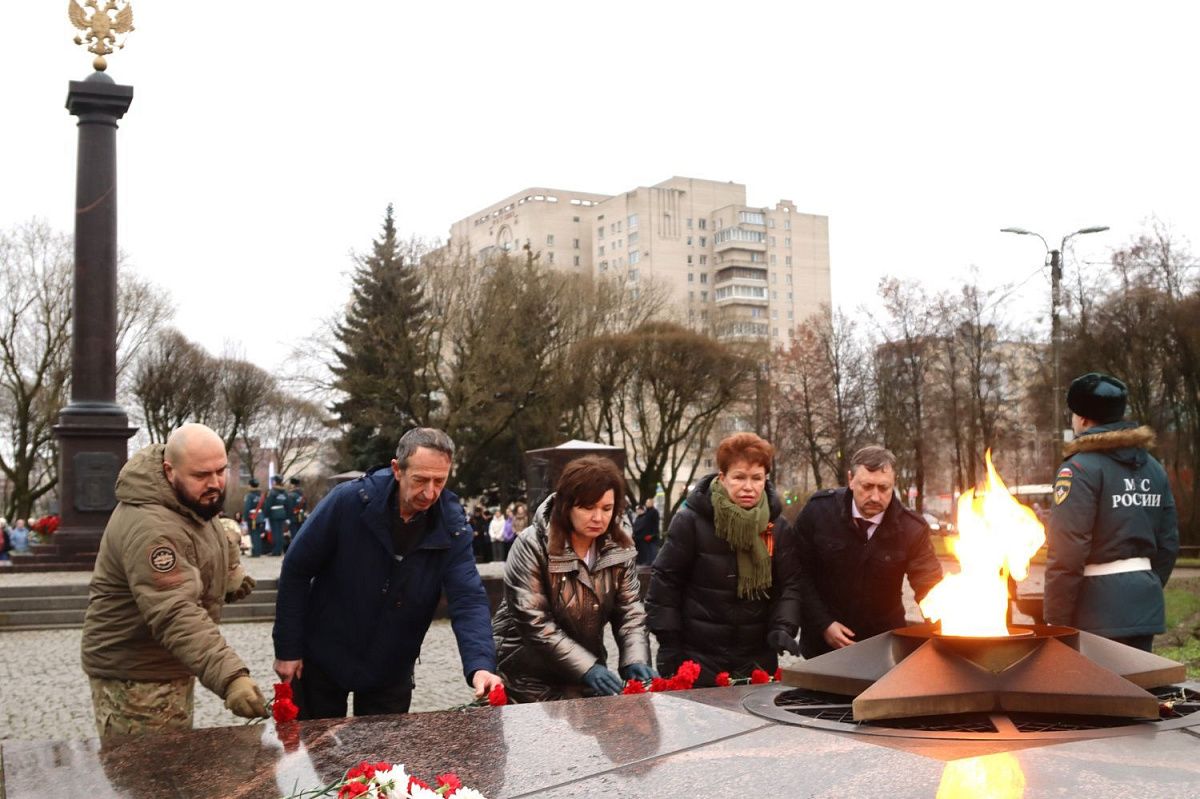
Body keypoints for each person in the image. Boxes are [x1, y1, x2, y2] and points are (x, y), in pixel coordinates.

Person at [272, 428, 501, 719]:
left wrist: (481, 665)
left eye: (439, 481)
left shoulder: (452, 524)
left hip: (391, 664)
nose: (430, 492)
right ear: (397, 469)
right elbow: (296, 568)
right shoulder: (348, 501)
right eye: (420, 480)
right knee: (315, 745)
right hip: (324, 653)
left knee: (384, 750)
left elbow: (467, 597)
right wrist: (288, 648)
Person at [80, 423, 266, 738]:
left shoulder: (186, 501)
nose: (214, 483)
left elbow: (208, 535)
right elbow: (174, 610)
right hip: (136, 677)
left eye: (220, 471)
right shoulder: (152, 527)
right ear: (169, 470)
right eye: (201, 475)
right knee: (148, 768)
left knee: (171, 763)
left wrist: (227, 574)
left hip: (168, 663)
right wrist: (231, 677)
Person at [492, 455, 653, 701]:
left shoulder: (619, 546)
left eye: (607, 508)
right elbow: (534, 621)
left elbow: (630, 611)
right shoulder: (531, 545)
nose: (598, 517)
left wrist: (635, 658)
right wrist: (587, 668)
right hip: (526, 673)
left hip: (582, 668)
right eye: (588, 507)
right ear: (566, 506)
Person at [646, 433, 801, 685]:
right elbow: (665, 582)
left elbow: (790, 584)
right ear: (722, 477)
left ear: (765, 479)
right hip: (698, 657)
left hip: (757, 658)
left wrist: (783, 627)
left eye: (756, 478)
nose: (748, 487)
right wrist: (669, 644)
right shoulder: (690, 521)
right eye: (739, 477)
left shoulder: (777, 527)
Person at [1044, 372, 1179, 652]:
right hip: (1144, 606)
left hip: (1095, 612)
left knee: (1097, 682)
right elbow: (1168, 543)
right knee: (1139, 680)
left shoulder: (1078, 469)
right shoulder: (1154, 468)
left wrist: (1056, 620)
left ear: (1082, 419)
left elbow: (1068, 551)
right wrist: (1145, 586)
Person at [790, 445, 944, 658]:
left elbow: (929, 585)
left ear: (894, 483)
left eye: (884, 488)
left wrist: (949, 631)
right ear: (851, 479)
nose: (875, 497)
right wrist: (823, 623)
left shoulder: (911, 528)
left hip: (883, 647)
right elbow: (797, 572)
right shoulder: (819, 512)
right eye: (867, 486)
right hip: (823, 646)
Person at [264, 475, 290, 556]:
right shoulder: (285, 492)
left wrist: (266, 514)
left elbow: (268, 504)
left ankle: (276, 551)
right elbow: (288, 504)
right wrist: (287, 515)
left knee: (275, 533)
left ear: (275, 482)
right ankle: (280, 549)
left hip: (274, 514)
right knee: (280, 533)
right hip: (282, 513)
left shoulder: (272, 492)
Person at [633, 496, 661, 566]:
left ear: (652, 503)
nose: (646, 504)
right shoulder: (647, 512)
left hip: (652, 535)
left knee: (653, 550)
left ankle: (654, 563)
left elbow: (655, 524)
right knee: (648, 551)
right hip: (646, 535)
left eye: (648, 502)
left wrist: (653, 534)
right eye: (646, 502)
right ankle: (649, 562)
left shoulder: (654, 512)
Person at [242, 479, 265, 557]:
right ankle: (259, 551)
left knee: (253, 534)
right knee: (258, 534)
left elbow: (247, 508)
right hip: (260, 515)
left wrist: (245, 518)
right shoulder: (261, 495)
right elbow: (264, 505)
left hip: (252, 516)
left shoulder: (249, 495)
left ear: (250, 485)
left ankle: (255, 552)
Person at [286, 476, 307, 548]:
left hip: (293, 516)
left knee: (294, 533)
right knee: (300, 532)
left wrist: (287, 517)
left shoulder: (291, 495)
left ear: (293, 485)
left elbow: (289, 507)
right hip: (301, 515)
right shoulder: (302, 494)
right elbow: (305, 505)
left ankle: (295, 548)